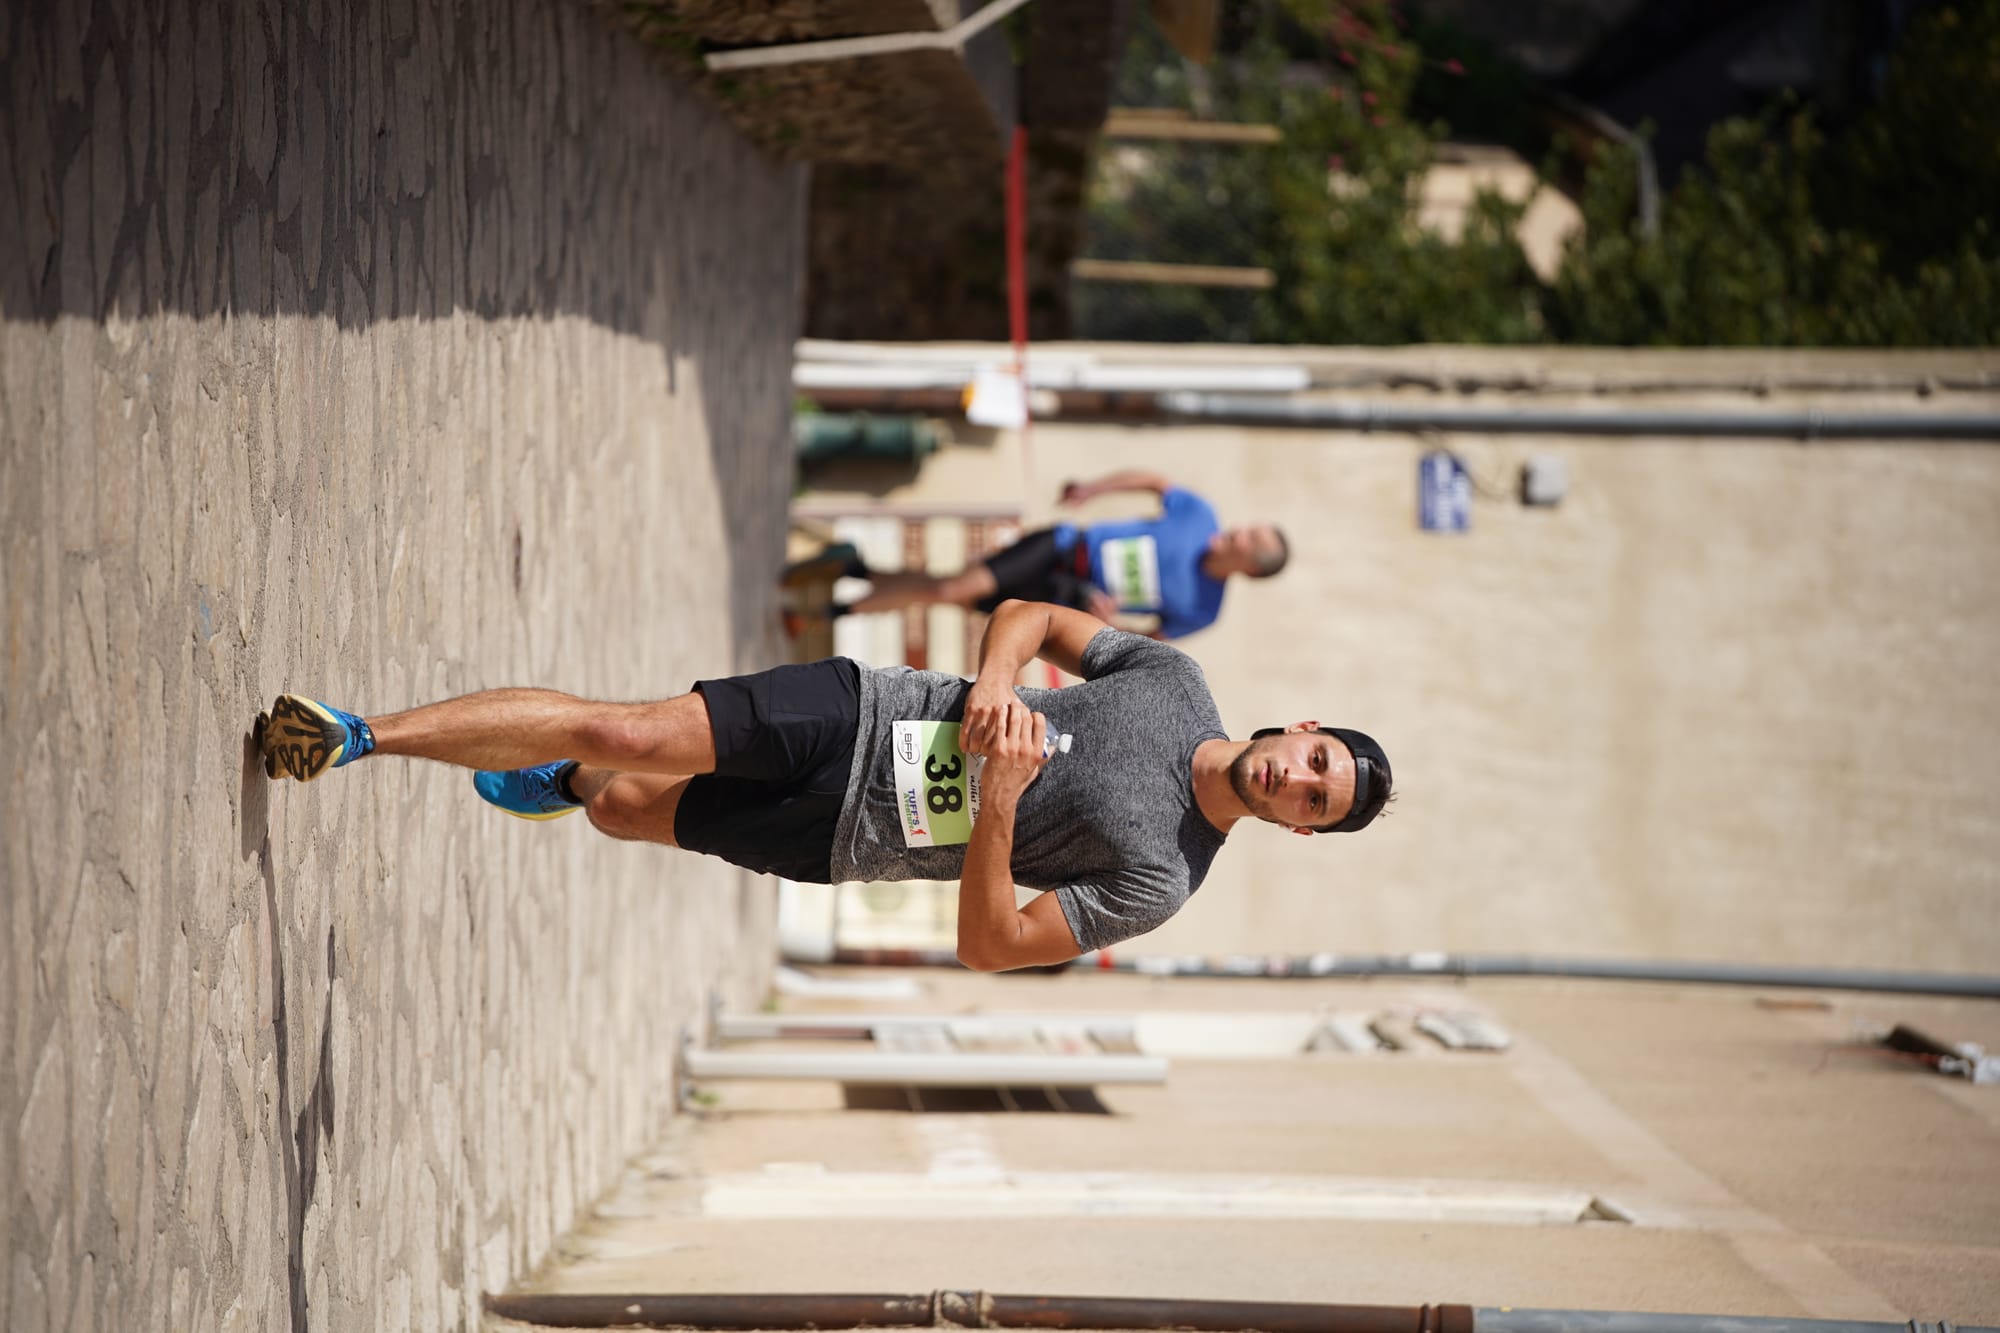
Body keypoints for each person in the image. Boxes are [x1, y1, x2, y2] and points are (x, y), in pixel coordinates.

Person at [258, 600, 1391, 971]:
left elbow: (994, 945)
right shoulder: (1172, 681)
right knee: (631, 727)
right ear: (1297, 728)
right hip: (861, 710)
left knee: (615, 802)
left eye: (1312, 799)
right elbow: (1032, 618)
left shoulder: (1161, 881)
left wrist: (997, 805)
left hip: (846, 837)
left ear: (1297, 828)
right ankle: (359, 734)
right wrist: (999, 684)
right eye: (1314, 760)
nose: (1295, 779)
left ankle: (562, 776)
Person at [817, 471, 1288, 640]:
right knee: (952, 589)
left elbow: (1151, 642)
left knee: (953, 592)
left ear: (1249, 568)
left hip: (1066, 600)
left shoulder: (1204, 609)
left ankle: (863, 570)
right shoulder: (1200, 515)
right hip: (1062, 547)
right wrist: (1092, 488)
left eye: (1248, 540)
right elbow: (1154, 482)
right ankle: (835, 610)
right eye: (1246, 528)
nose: (1236, 533)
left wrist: (1111, 624)